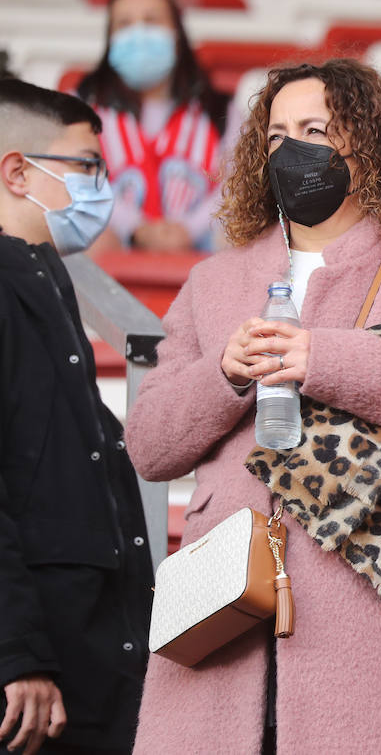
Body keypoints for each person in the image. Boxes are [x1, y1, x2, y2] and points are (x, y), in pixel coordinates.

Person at [124, 59, 381, 752]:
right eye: (276, 135)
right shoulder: (215, 279)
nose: (292, 150)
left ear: (369, 144)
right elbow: (151, 445)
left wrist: (323, 358)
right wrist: (225, 374)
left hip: (368, 606)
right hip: (221, 611)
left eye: (316, 130)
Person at [0, 79, 153, 754]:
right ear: (16, 171)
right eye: (86, 167)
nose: (102, 187)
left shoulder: (45, 276)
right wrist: (17, 653)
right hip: (36, 681)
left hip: (87, 665)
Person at [76, 0, 233, 252]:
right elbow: (77, 181)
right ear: (109, 37)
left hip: (203, 246)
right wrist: (135, 227)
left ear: (177, 34)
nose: (139, 34)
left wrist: (189, 230)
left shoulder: (223, 110)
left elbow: (237, 186)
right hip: (113, 245)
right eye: (124, 24)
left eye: (152, 20)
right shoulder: (79, 108)